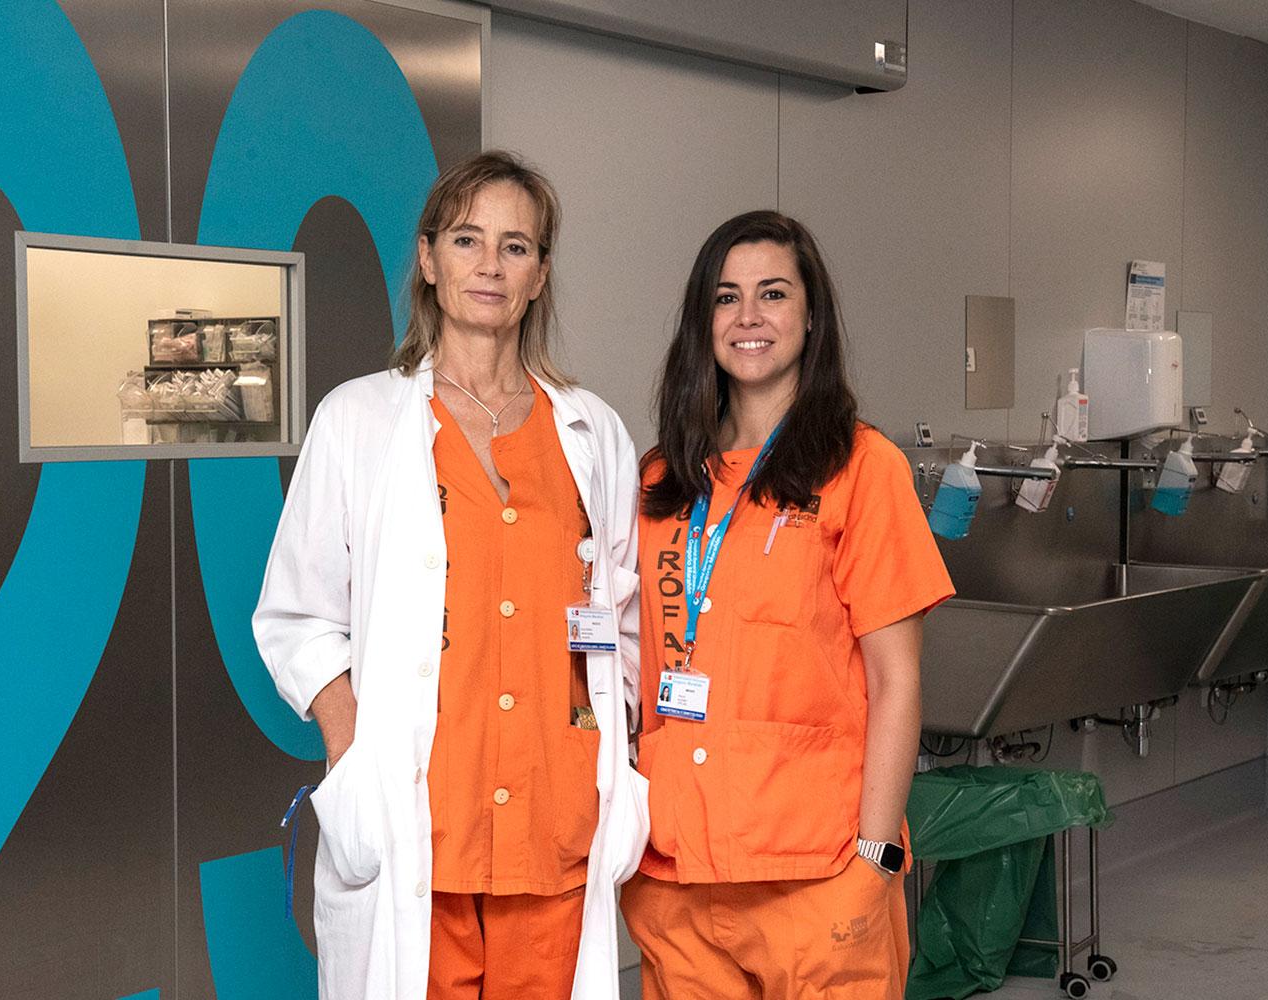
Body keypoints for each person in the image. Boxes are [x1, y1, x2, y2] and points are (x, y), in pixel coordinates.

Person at [253, 151, 648, 1000]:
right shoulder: (359, 420)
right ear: (429, 260)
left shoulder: (592, 433)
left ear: (541, 274)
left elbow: (627, 622)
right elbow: (296, 615)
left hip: (557, 822)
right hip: (417, 825)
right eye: (467, 240)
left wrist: (628, 749)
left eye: (516, 246)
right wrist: (348, 742)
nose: (490, 266)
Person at [620, 210, 954, 999]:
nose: (748, 318)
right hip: (677, 875)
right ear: (703, 321)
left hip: (817, 874)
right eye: (726, 297)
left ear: (812, 316)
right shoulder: (661, 481)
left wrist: (874, 859)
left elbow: (897, 681)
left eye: (773, 293)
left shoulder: (863, 469)